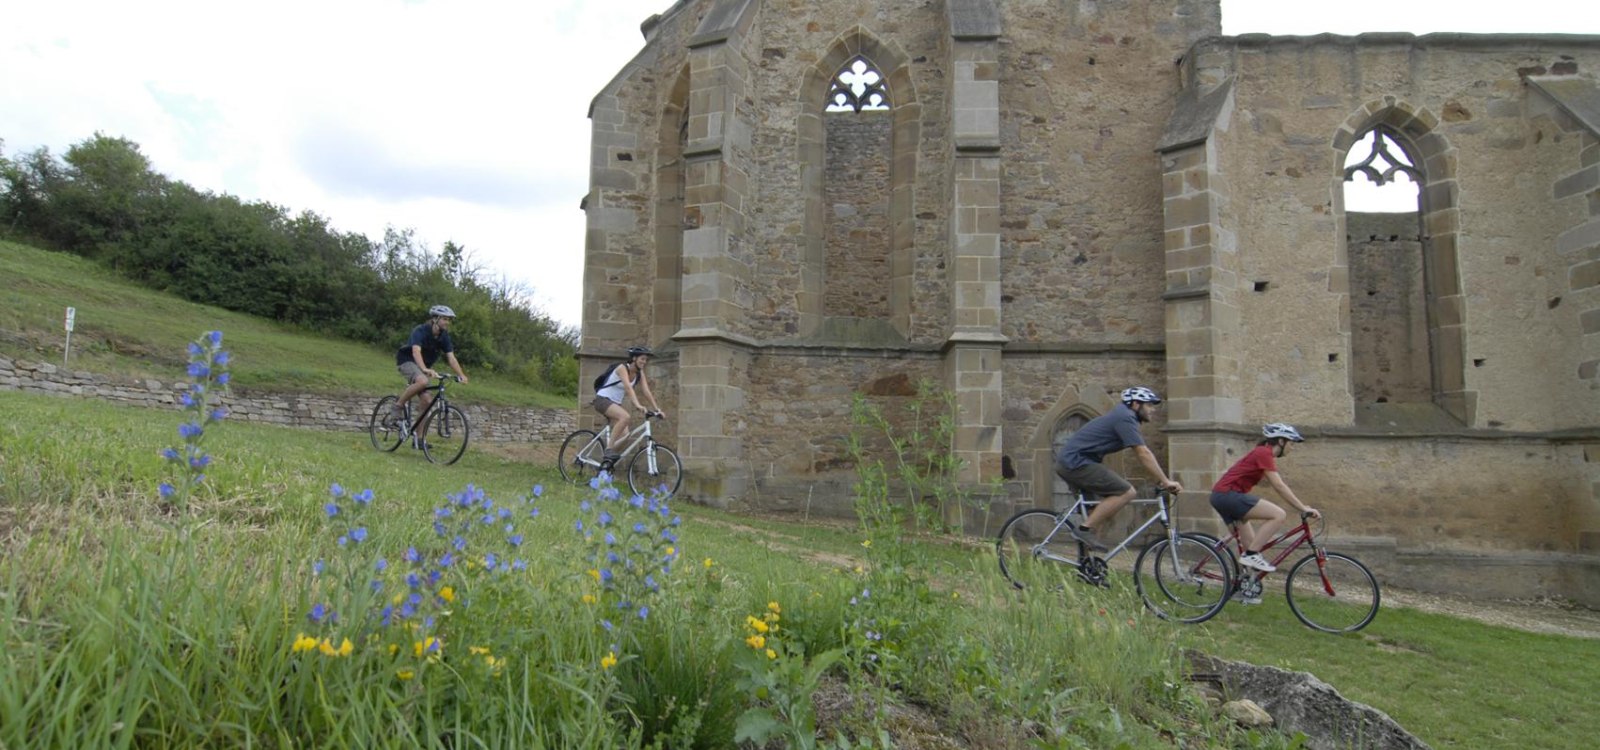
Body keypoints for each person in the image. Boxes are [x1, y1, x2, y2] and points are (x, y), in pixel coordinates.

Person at [1055, 386, 1184, 552]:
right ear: (1136, 404)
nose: (1152, 410)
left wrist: (1160, 480)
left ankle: (1088, 564)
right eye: (1149, 405)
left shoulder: (1124, 416)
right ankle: (1083, 530)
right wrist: (1165, 481)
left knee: (1096, 513)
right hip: (1076, 463)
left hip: (1073, 462)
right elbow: (1142, 453)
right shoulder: (1125, 417)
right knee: (1126, 492)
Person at [1209, 423, 1321, 580]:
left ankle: (1242, 586)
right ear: (1281, 441)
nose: (1292, 448)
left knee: (1250, 545)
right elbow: (1279, 486)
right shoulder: (1263, 453)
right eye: (1291, 443)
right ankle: (1251, 555)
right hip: (1228, 495)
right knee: (1278, 515)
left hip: (1222, 496)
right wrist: (1302, 508)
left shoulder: (1262, 453)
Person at [391, 305, 469, 444]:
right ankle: (398, 406)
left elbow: (451, 358)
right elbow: (416, 351)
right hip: (407, 361)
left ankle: (419, 439)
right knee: (423, 381)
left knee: (427, 401)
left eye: (449, 320)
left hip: (423, 367)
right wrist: (424, 369)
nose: (447, 322)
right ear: (435, 319)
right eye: (444, 319)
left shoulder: (444, 337)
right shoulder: (420, 330)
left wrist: (461, 375)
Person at [592, 346, 666, 469]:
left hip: (615, 404)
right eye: (642, 359)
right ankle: (609, 449)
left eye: (646, 360)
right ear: (634, 358)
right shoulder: (622, 368)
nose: (644, 362)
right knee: (625, 417)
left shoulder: (639, 373)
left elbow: (646, 391)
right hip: (602, 400)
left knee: (626, 436)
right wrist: (637, 405)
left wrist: (657, 409)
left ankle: (606, 461)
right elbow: (628, 387)